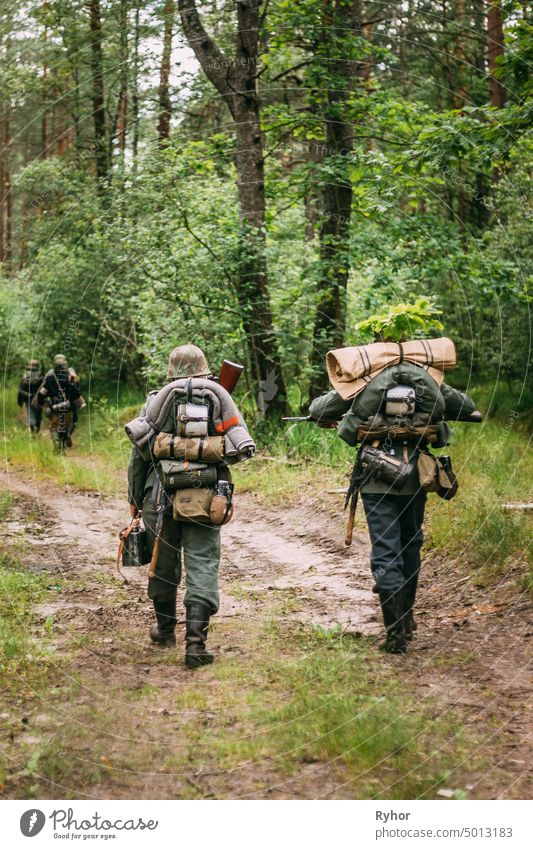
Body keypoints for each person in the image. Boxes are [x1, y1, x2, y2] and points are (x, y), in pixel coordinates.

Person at [309, 334, 477, 655]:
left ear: (375, 351)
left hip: (375, 476)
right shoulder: (427, 379)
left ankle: (395, 630)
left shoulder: (365, 379)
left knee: (386, 551)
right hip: (417, 474)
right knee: (411, 543)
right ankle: (407, 618)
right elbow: (465, 407)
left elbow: (318, 409)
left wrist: (349, 396)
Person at [126, 344, 255, 669]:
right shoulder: (218, 396)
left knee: (163, 564)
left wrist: (134, 498)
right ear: (204, 368)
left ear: (172, 370)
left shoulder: (157, 400)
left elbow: (138, 456)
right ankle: (196, 644)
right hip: (208, 495)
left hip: (159, 497)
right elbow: (237, 448)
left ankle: (166, 631)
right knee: (202, 562)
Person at [37, 354, 81, 452]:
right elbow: (76, 393)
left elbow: (42, 393)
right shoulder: (70, 378)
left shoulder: (50, 378)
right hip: (67, 407)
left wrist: (43, 402)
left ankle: (56, 443)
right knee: (65, 426)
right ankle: (61, 448)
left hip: (54, 407)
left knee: (54, 427)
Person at [17, 359, 43, 434]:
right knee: (36, 415)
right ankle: (35, 431)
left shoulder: (25, 376)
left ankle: (34, 431)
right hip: (34, 398)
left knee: (32, 414)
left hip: (32, 398)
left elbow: (20, 390)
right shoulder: (38, 376)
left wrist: (20, 400)